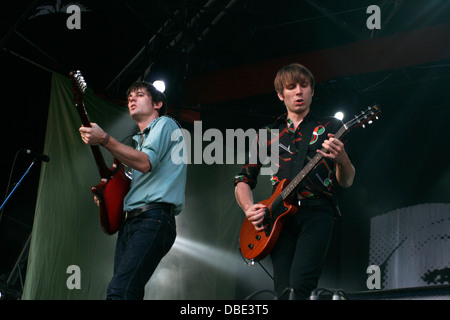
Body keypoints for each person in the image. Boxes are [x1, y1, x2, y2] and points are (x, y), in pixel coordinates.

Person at [234, 63, 355, 300]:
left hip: (318, 212)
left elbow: (347, 181)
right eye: (291, 87)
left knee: (301, 286)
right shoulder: (267, 134)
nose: (298, 91)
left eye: (304, 85)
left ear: (312, 91)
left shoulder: (331, 126)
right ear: (281, 94)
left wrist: (342, 159)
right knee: (283, 291)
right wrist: (249, 209)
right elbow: (243, 179)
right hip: (278, 217)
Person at [79, 81, 187, 300]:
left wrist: (105, 139)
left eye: (139, 95)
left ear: (158, 103)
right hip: (133, 222)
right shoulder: (136, 142)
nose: (131, 99)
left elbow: (146, 162)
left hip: (153, 218)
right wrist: (110, 196)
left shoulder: (165, 124)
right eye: (129, 97)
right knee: (129, 293)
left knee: (119, 292)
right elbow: (133, 182)